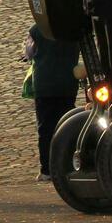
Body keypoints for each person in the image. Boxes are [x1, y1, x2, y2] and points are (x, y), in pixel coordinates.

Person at [25, 23, 79, 181]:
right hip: (67, 83)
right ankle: (68, 163)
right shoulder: (73, 27)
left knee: (45, 129)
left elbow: (29, 53)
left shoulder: (37, 29)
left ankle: (47, 170)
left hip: (45, 85)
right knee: (67, 124)